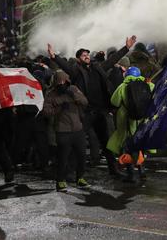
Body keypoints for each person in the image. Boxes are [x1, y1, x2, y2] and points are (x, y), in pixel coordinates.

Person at [48, 36, 136, 176]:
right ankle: (70, 172)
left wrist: (126, 48)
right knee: (78, 142)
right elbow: (66, 67)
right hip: (86, 112)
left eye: (88, 54)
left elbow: (112, 60)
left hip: (100, 111)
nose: (87, 57)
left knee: (106, 141)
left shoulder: (98, 68)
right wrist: (54, 57)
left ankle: (113, 169)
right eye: (83, 55)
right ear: (78, 59)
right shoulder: (76, 70)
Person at [43, 70, 90, 192]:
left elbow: (85, 101)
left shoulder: (73, 89)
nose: (63, 83)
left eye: (65, 81)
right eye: (60, 81)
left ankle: (80, 178)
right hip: (62, 131)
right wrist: (59, 107)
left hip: (78, 129)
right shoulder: (51, 94)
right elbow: (46, 112)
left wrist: (73, 96)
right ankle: (60, 181)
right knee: (63, 158)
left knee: (81, 156)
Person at [106, 67, 154, 182]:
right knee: (140, 145)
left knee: (127, 146)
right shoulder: (148, 84)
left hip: (126, 120)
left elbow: (114, 102)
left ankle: (131, 174)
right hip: (142, 119)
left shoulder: (122, 87)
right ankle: (142, 171)